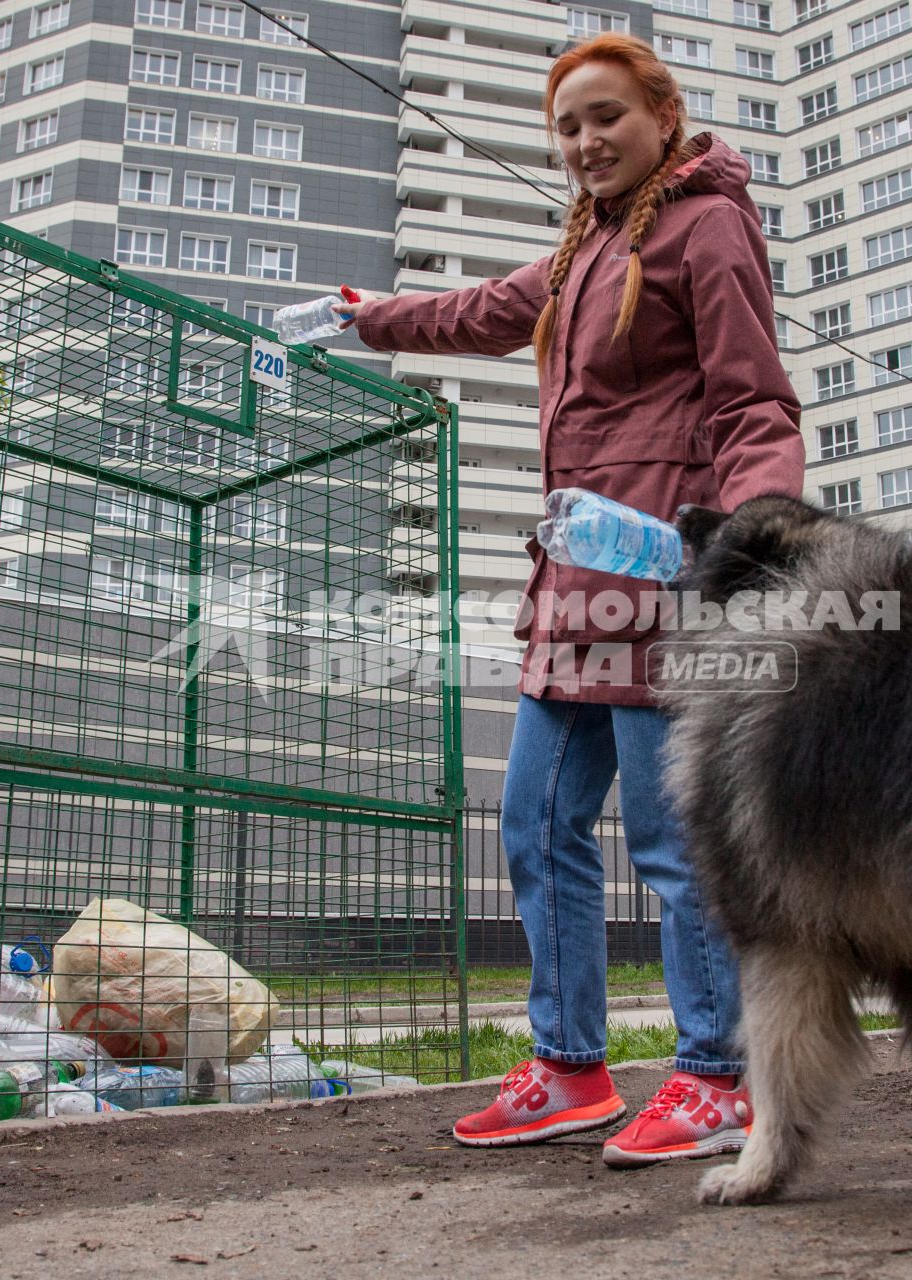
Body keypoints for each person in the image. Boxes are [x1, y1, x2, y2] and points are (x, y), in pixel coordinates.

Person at [338, 32, 804, 1168]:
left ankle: (716, 1075)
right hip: (569, 586)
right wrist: (372, 313)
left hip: (660, 576)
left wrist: (746, 543)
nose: (585, 141)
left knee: (667, 835)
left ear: (660, 115)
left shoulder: (706, 224)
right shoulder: (578, 250)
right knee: (536, 823)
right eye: (567, 127)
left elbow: (753, 403)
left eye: (606, 117)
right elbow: (480, 311)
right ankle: (569, 1065)